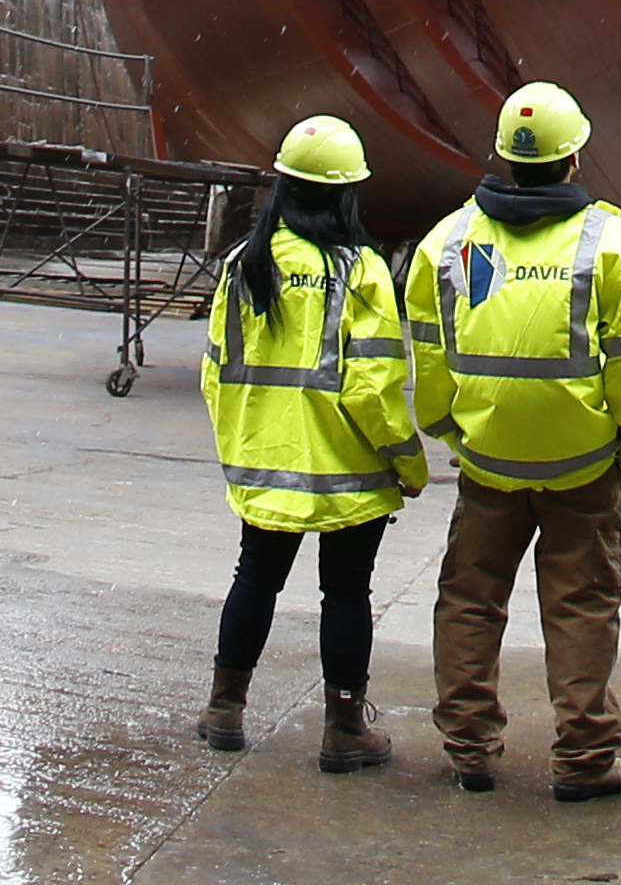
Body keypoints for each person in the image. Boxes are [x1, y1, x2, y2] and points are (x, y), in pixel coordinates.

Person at [407, 80, 621, 799]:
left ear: (503, 155)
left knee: (470, 599)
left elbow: (428, 356)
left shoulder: (449, 241)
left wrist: (453, 431)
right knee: (581, 604)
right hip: (583, 465)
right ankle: (584, 758)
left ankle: (469, 747)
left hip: (488, 463)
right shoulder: (607, 242)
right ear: (575, 157)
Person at [197, 112, 424, 770]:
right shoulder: (362, 271)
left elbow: (216, 373)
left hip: (264, 465)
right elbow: (372, 388)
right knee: (346, 593)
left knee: (255, 579)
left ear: (284, 186)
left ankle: (224, 710)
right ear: (348, 193)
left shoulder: (245, 263)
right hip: (348, 473)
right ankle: (344, 728)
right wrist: (407, 462)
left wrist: (246, 447)